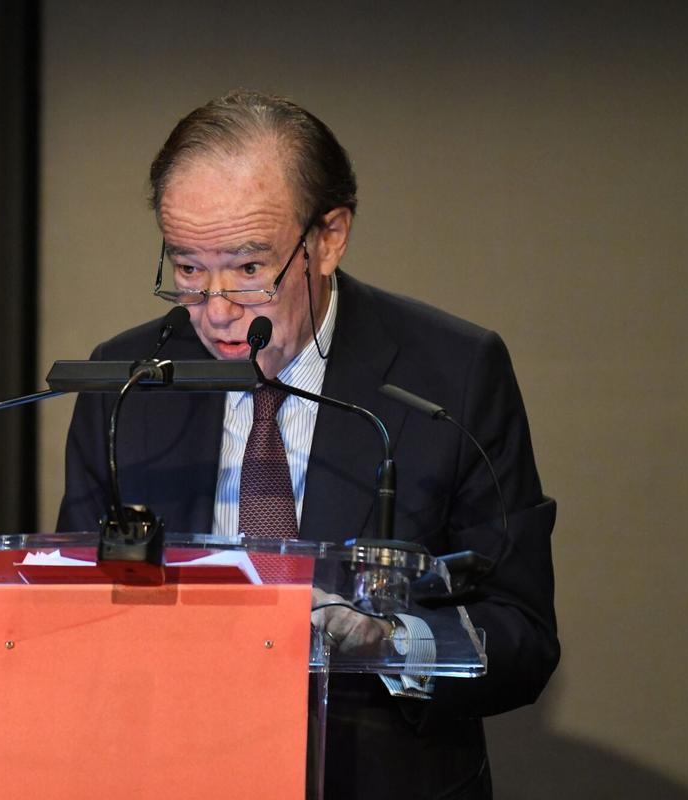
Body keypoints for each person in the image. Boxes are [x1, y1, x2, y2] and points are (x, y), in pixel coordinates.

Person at [57, 90, 558, 799]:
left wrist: (394, 644)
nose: (217, 310)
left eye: (249, 269)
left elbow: (522, 633)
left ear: (329, 238)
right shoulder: (127, 380)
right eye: (188, 269)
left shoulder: (452, 374)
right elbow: (72, 605)